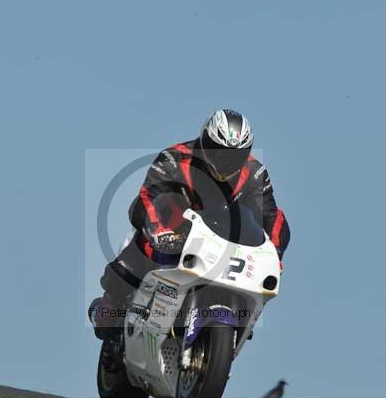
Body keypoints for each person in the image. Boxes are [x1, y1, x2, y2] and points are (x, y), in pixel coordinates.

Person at [89, 109, 290, 340]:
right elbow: (148, 197)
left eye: (235, 156)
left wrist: (274, 253)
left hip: (222, 245)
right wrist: (159, 231)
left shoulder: (255, 174)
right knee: (120, 280)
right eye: (218, 152)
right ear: (204, 142)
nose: (225, 162)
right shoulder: (175, 158)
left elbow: (271, 216)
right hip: (172, 234)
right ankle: (105, 311)